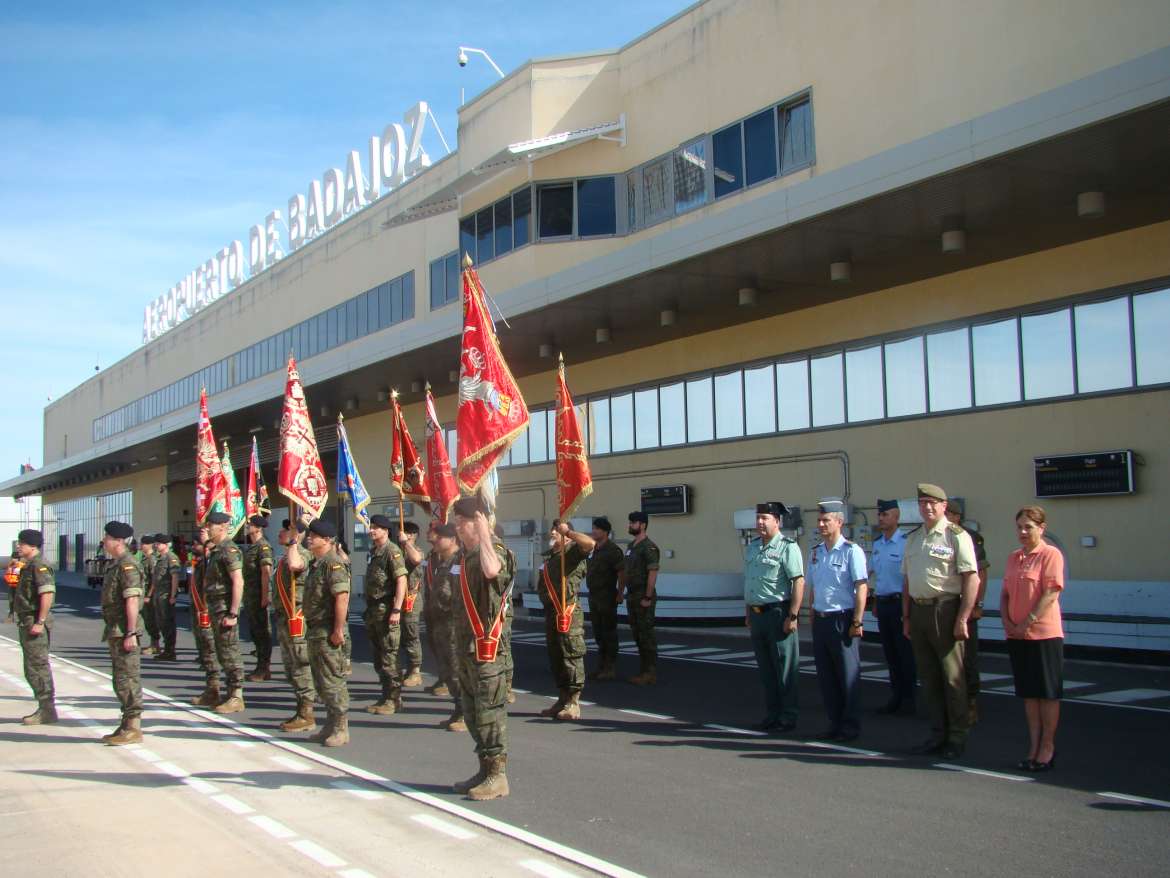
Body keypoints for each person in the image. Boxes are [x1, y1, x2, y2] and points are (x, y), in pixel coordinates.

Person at [902, 483, 979, 759]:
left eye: (933, 503)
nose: (928, 507)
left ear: (944, 506)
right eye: (923, 503)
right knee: (929, 679)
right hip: (920, 611)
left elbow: (972, 578)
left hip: (945, 609)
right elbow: (908, 580)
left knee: (952, 678)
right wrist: (907, 616)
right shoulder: (913, 538)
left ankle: (957, 736)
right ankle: (938, 733)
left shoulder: (956, 536)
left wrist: (963, 618)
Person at [451, 496, 515, 800]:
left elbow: (492, 571)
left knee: (489, 714)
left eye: (462, 523)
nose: (457, 528)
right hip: (467, 649)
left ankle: (497, 776)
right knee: (473, 713)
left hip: (489, 651)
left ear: (476, 522)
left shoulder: (497, 551)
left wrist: (485, 531)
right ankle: (484, 768)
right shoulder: (464, 558)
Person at [1001, 506, 1065, 772]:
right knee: (1029, 694)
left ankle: (1048, 747)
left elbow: (1050, 593)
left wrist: (1027, 623)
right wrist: (1007, 621)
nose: (1023, 532)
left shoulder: (1050, 555)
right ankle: (1033, 745)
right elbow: (1005, 594)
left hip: (1043, 634)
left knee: (1047, 694)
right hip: (1016, 635)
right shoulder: (1014, 557)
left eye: (1029, 527)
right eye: (1019, 527)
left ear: (1042, 528)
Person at [807, 499, 868, 742]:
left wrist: (858, 620)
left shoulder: (851, 551)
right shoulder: (815, 552)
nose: (821, 524)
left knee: (847, 676)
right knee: (826, 677)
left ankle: (850, 726)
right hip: (821, 620)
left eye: (826, 520)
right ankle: (834, 723)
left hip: (842, 619)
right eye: (819, 521)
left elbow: (861, 586)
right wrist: (811, 611)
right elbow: (814, 587)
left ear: (839, 522)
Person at [287, 518, 350, 747]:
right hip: (314, 629)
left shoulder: (333, 564)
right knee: (321, 681)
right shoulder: (317, 564)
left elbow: (341, 597)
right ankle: (329, 725)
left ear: (327, 540)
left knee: (332, 680)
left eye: (314, 536)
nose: (310, 538)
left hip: (326, 630)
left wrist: (337, 630)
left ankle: (341, 728)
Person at [743, 502, 804, 733]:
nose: (760, 522)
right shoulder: (753, 547)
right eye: (758, 517)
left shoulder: (788, 547)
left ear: (777, 521)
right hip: (757, 615)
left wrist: (794, 615)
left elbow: (798, 581)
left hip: (777, 614)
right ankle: (773, 713)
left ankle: (788, 715)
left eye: (765, 518)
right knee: (766, 670)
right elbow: (749, 581)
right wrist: (747, 611)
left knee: (785, 668)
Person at [539, 520, 595, 721]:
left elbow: (590, 544)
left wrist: (569, 532)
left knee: (570, 655)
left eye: (556, 529)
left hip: (567, 612)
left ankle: (573, 702)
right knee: (556, 657)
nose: (553, 532)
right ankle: (562, 698)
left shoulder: (571, 554)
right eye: (552, 529)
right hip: (551, 613)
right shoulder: (551, 557)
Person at [99, 521, 145, 745]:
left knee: (128, 678)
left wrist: (131, 632)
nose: (104, 541)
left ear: (118, 541)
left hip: (124, 630)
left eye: (107, 538)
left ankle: (134, 727)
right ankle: (126, 723)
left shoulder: (128, 565)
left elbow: (132, 599)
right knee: (120, 679)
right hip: (115, 629)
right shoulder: (116, 565)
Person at [869, 499, 916, 714]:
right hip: (884, 604)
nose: (881, 518)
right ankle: (896, 695)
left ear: (896, 517)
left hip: (901, 604)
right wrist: (876, 601)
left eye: (885, 515)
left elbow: (909, 579)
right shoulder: (878, 544)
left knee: (905, 653)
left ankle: (909, 699)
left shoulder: (906, 543)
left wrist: (908, 612)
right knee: (890, 653)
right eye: (880, 515)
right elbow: (877, 576)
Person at [945, 498, 989, 725]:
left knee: (968, 658)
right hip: (943, 606)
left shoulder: (970, 538)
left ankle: (971, 701)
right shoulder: (933, 537)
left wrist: (977, 605)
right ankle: (950, 703)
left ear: (956, 516)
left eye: (948, 513)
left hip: (965, 606)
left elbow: (981, 573)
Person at [272, 521, 318, 733]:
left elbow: (296, 566)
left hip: (297, 616)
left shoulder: (303, 553)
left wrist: (293, 543)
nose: (281, 533)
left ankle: (306, 713)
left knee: (300, 664)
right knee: (290, 667)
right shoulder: (283, 556)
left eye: (286, 530)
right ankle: (300, 708)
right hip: (284, 617)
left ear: (296, 534)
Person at [420, 521, 464, 730]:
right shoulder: (441, 562)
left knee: (458, 672)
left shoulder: (462, 560)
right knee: (447, 673)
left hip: (456, 627)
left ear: (453, 539)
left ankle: (466, 714)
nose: (434, 540)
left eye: (440, 537)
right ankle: (458, 710)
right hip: (440, 625)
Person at [364, 514, 409, 715]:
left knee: (389, 657)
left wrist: (397, 609)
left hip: (386, 610)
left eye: (376, 528)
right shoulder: (375, 551)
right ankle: (385, 696)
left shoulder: (392, 551)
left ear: (386, 530)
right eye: (371, 527)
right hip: (373, 611)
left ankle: (394, 699)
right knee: (378, 657)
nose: (372, 530)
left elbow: (401, 581)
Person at [12, 529, 57, 725]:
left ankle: (47, 710)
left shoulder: (39, 566)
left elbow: (47, 593)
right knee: (32, 668)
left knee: (38, 667)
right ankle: (44, 708)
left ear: (32, 546)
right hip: (27, 621)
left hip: (34, 622)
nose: (18, 546)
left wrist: (40, 621)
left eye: (21, 543)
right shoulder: (28, 565)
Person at [204, 511, 246, 714]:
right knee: (222, 651)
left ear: (222, 527)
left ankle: (237, 696)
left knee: (230, 652)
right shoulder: (217, 550)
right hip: (216, 608)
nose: (207, 528)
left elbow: (238, 581)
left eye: (211, 525)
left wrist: (233, 613)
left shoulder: (228, 550)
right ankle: (228, 693)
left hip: (224, 609)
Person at [619, 510, 660, 686]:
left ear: (642, 525)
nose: (630, 525)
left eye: (633, 523)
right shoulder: (631, 547)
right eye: (630, 522)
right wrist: (621, 591)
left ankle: (649, 672)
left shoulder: (649, 547)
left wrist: (648, 596)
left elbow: (653, 572)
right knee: (637, 633)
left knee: (646, 634)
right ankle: (643, 670)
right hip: (632, 595)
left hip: (643, 594)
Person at [585, 517, 624, 681]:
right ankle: (601, 666)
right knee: (598, 632)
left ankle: (610, 667)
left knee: (609, 632)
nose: (594, 531)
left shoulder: (613, 550)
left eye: (597, 529)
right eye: (593, 528)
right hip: (594, 597)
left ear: (605, 532)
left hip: (607, 596)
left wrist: (620, 592)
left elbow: (622, 573)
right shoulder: (595, 550)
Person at [189, 535, 222, 706]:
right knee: (206, 652)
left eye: (197, 543)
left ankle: (220, 691)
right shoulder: (201, 562)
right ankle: (212, 689)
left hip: (210, 611)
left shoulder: (213, 562)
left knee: (211, 650)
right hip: (201, 610)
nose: (194, 545)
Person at [242, 516, 275, 682]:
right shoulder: (252, 547)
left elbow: (266, 572)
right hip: (250, 596)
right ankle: (260, 666)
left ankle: (264, 668)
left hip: (258, 596)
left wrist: (265, 595)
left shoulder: (263, 546)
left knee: (262, 632)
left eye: (251, 525)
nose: (248, 527)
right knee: (255, 631)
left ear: (259, 528)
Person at [396, 521, 425, 687]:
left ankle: (415, 671)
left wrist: (406, 543)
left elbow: (416, 559)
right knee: (401, 637)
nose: (401, 535)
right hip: (398, 598)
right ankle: (405, 668)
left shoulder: (415, 550)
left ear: (412, 535)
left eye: (405, 533)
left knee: (411, 634)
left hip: (411, 599)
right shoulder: (398, 551)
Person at [151, 534, 180, 661]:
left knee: (167, 623)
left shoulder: (171, 558)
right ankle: (166, 649)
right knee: (161, 622)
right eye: (156, 543)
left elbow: (175, 577)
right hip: (158, 594)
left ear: (166, 544)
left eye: (159, 543)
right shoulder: (160, 558)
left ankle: (170, 651)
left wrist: (173, 595)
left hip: (166, 595)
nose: (156, 546)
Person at [139, 537, 160, 655]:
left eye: (143, 544)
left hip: (149, 595)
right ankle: (153, 644)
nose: (141, 545)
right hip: (144, 593)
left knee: (151, 619)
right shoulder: (144, 559)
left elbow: (154, 580)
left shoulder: (152, 560)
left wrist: (149, 595)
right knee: (147, 619)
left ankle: (155, 645)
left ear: (149, 545)